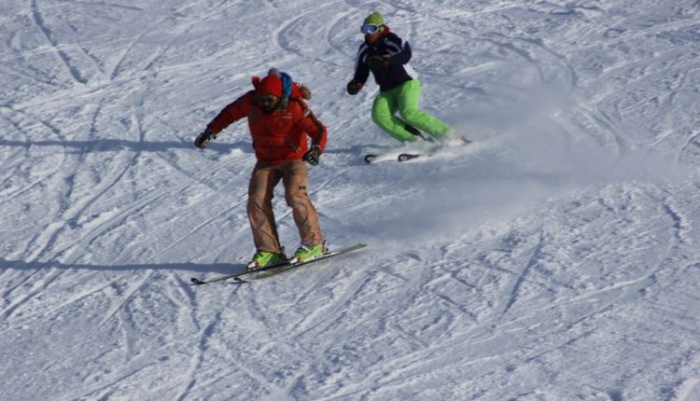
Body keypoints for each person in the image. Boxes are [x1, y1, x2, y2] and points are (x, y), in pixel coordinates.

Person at [194, 71, 328, 270]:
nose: (264, 103)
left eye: (269, 99)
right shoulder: (251, 101)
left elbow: (318, 130)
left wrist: (316, 150)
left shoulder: (294, 105)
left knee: (295, 195)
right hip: (265, 160)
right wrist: (210, 131)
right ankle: (269, 251)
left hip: (293, 159)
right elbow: (229, 113)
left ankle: (314, 244)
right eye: (262, 99)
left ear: (279, 97)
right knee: (256, 200)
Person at [346, 12, 465, 145]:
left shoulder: (392, 40)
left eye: (371, 29)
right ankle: (417, 142)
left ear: (380, 28)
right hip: (386, 90)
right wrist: (356, 84)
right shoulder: (364, 49)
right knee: (379, 116)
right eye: (364, 29)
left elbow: (405, 54)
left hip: (406, 83)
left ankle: (450, 135)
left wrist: (385, 60)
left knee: (408, 113)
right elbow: (361, 70)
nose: (368, 33)